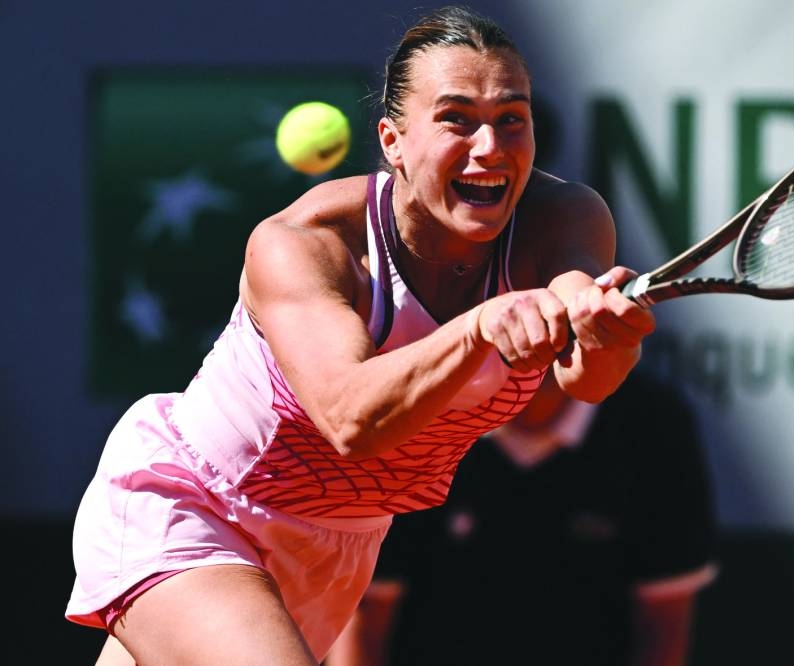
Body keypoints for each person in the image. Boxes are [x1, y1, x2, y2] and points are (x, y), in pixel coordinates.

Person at [65, 5, 656, 665]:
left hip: (337, 548)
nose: (490, 147)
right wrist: (479, 327)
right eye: (457, 119)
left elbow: (588, 378)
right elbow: (352, 420)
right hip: (198, 506)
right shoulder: (308, 243)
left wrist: (607, 333)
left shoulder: (564, 217)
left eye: (511, 119)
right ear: (393, 142)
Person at [324, 369, 718, 666]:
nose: (538, 327)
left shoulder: (654, 426)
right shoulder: (418, 420)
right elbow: (364, 623)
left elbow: (663, 627)